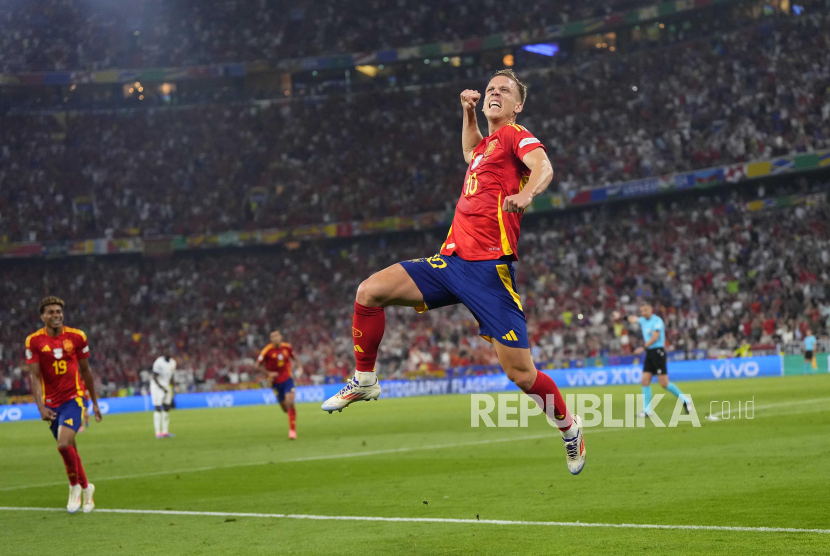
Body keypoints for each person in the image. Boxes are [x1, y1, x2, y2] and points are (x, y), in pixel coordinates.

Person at [321, 69, 585, 474]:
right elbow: (469, 152)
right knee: (369, 291)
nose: (494, 93)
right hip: (452, 261)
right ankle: (365, 379)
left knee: (521, 373)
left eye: (504, 91)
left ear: (518, 105)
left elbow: (543, 166)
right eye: (491, 89)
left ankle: (569, 428)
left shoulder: (516, 134)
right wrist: (467, 113)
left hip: (488, 269)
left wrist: (526, 193)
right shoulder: (485, 147)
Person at [24, 296, 102, 513]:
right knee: (71, 449)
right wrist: (40, 407)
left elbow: (86, 371)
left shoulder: (77, 337)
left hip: (73, 399)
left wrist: (94, 402)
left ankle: (73, 486)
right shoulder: (34, 341)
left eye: (59, 311)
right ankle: (87, 488)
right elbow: (35, 376)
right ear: (43, 316)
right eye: (51, 312)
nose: (56, 315)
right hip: (51, 404)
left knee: (64, 444)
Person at [614, 304, 690, 417]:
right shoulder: (643, 320)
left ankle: (685, 400)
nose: (643, 312)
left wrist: (642, 347)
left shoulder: (657, 321)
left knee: (664, 383)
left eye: (645, 310)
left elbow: (655, 337)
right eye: (641, 310)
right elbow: (632, 319)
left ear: (651, 310)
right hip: (650, 353)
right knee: (645, 380)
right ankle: (647, 410)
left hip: (658, 352)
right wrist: (622, 317)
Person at [257, 331, 299, 439]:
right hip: (275, 383)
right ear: (271, 339)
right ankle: (291, 420)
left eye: (277, 336)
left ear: (281, 337)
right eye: (273, 337)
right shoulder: (267, 351)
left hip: (287, 379)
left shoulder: (287, 347)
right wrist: (268, 373)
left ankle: (292, 431)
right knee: (285, 408)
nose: (275, 338)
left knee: (290, 402)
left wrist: (299, 368)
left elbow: (295, 358)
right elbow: (257, 365)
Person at [151, 355, 176, 438]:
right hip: (156, 387)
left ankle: (165, 431)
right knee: (158, 408)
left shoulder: (173, 362)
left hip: (166, 386)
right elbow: (154, 376)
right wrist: (162, 388)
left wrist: (173, 386)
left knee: (167, 407)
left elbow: (171, 376)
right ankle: (158, 432)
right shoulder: (159, 362)